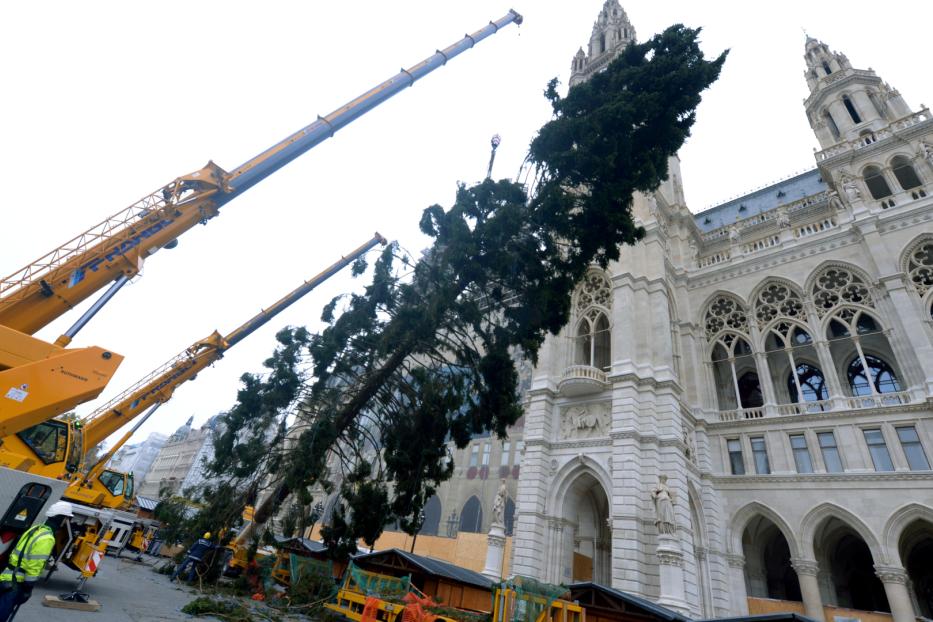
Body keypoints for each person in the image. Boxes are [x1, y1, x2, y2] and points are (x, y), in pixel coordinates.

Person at [0, 501, 73, 621]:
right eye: (66, 518)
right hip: (15, 583)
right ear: (61, 518)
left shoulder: (34, 529)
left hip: (5, 576)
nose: (66, 521)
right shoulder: (47, 538)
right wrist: (28, 588)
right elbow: (35, 566)